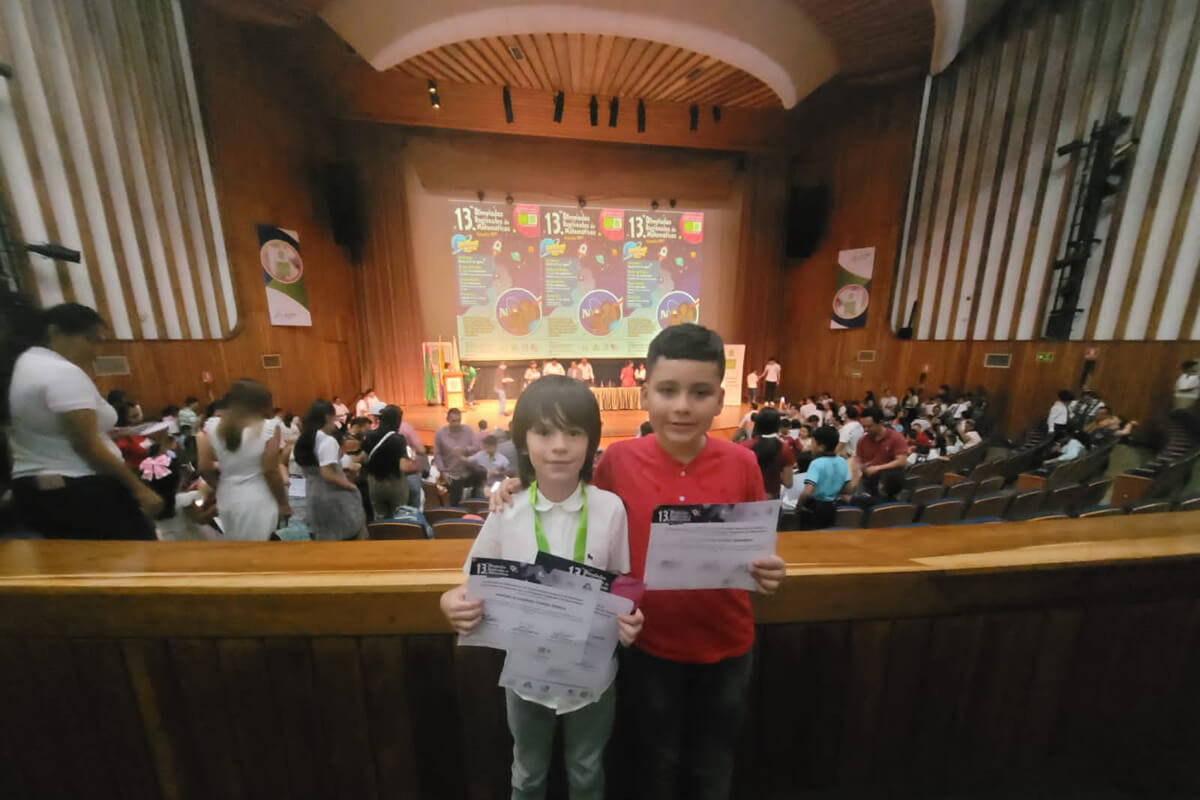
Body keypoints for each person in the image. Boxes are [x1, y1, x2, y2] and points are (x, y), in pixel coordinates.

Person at [489, 324, 784, 800]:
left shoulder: (743, 464)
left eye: (700, 392)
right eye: (668, 390)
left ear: (720, 399)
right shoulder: (618, 462)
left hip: (728, 646)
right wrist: (519, 486)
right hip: (648, 650)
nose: (683, 405)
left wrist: (769, 569)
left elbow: (755, 552)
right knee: (653, 763)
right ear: (645, 393)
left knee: (713, 764)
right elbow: (588, 526)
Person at [440, 375, 644, 800]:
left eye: (573, 432)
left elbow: (622, 586)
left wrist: (630, 618)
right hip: (526, 679)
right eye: (544, 431)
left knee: (586, 771)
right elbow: (470, 586)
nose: (559, 446)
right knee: (528, 773)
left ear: (590, 440)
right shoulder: (507, 510)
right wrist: (450, 602)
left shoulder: (610, 509)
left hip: (593, 677)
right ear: (523, 438)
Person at [7, 303, 162, 539]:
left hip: (35, 488)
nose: (95, 351)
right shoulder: (61, 372)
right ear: (55, 332)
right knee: (135, 563)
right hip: (80, 489)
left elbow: (52, 432)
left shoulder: (24, 365)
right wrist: (140, 490)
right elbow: (86, 445)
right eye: (91, 340)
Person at [197, 379, 289, 540]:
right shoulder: (269, 428)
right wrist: (283, 503)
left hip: (227, 495)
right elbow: (270, 470)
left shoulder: (213, 426)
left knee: (237, 544)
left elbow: (204, 467)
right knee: (258, 549)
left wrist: (220, 486)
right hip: (258, 498)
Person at [294, 399, 367, 540]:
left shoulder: (304, 440)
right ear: (328, 417)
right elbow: (327, 473)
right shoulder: (327, 440)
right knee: (352, 538)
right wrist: (350, 486)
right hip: (334, 496)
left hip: (313, 494)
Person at [360, 404, 414, 518]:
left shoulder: (369, 435)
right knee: (399, 516)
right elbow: (403, 467)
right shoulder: (398, 439)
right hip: (395, 483)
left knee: (380, 517)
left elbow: (364, 459)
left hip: (374, 483)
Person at [794, 425, 850, 530]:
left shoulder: (816, 463)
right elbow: (847, 488)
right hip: (833, 506)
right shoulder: (842, 461)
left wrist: (798, 507)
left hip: (815, 508)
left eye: (813, 442)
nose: (811, 445)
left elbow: (807, 492)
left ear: (821, 446)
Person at [851, 407, 910, 501]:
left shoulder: (895, 437)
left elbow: (902, 461)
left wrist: (877, 468)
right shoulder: (863, 440)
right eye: (864, 426)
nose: (866, 429)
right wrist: (858, 467)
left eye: (869, 426)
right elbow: (858, 460)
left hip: (889, 485)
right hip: (868, 482)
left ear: (881, 422)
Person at [744, 407, 795, 499]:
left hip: (747, 498)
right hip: (771, 500)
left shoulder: (743, 446)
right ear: (777, 425)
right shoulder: (784, 448)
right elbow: (788, 483)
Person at [434, 407, 481, 505]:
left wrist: (465, 449)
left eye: (459, 420)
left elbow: (476, 446)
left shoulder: (468, 430)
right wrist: (442, 471)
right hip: (451, 475)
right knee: (454, 504)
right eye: (453, 421)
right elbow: (437, 454)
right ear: (447, 420)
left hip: (467, 473)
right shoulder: (440, 434)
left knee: (471, 504)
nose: (456, 424)